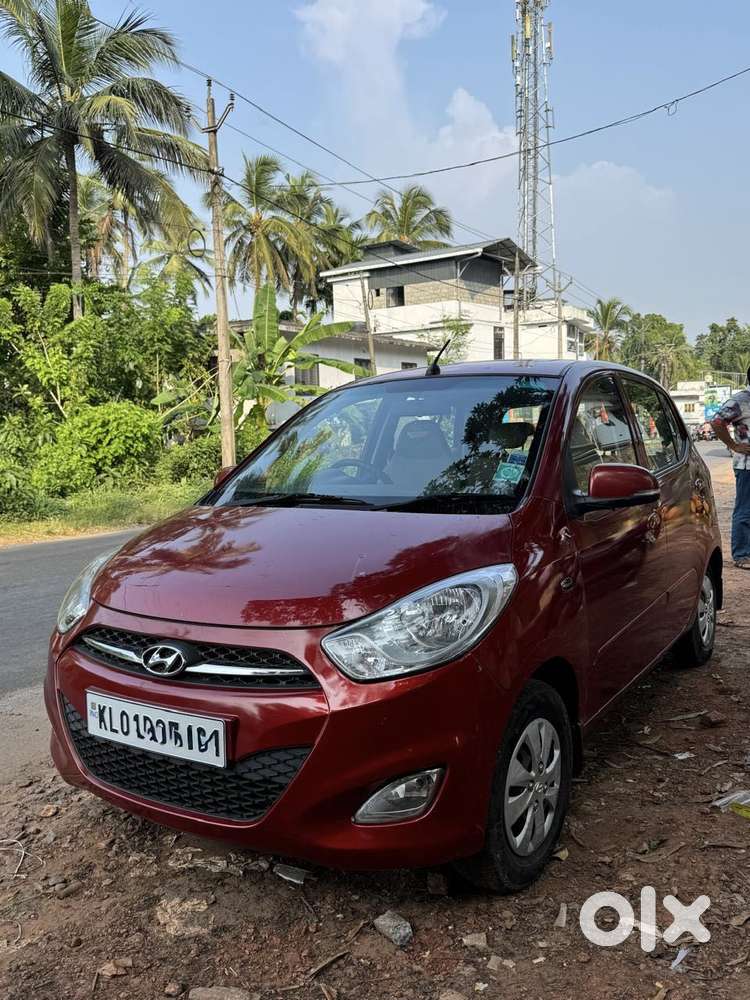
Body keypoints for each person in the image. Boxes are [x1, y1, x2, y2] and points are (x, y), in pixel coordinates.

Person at [712, 369, 750, 569]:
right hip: (747, 467)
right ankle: (742, 555)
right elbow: (717, 422)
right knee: (745, 510)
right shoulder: (739, 401)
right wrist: (734, 445)